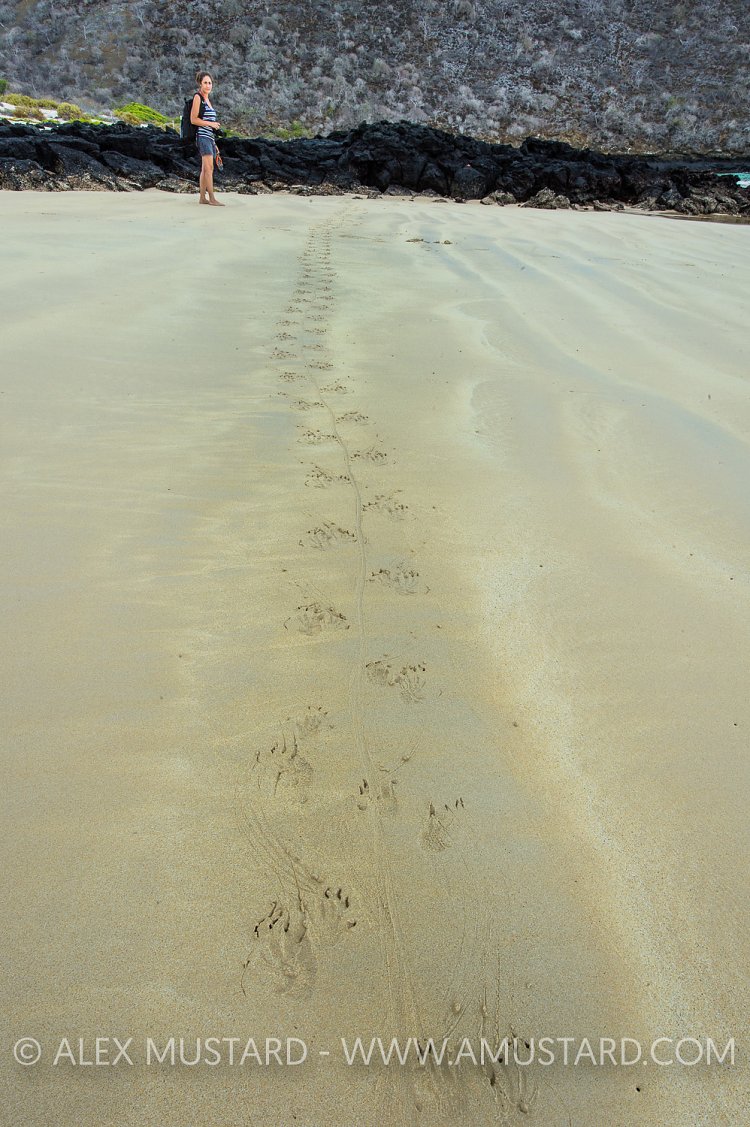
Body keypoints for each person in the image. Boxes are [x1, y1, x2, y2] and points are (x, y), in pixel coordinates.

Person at [191, 71, 223, 206]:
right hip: (202, 137)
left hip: (209, 137)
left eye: (210, 83)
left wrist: (214, 141)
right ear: (200, 84)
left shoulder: (208, 100)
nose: (208, 85)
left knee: (205, 169)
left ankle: (202, 198)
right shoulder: (198, 97)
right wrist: (211, 124)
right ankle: (212, 198)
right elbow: (194, 120)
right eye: (205, 83)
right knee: (209, 169)